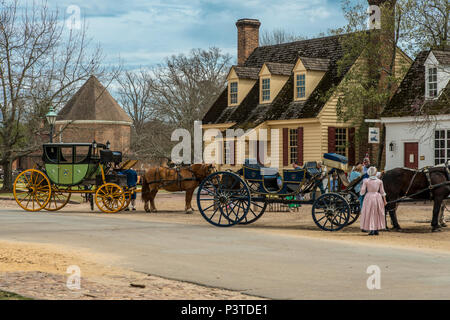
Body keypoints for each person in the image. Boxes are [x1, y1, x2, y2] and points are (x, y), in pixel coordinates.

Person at [360, 166, 387, 236]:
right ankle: (376, 229)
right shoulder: (379, 181)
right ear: (375, 173)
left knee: (370, 213)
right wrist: (384, 200)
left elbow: (362, 191)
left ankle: (372, 229)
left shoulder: (366, 181)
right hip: (377, 197)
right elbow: (382, 192)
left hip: (369, 197)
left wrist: (362, 193)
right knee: (377, 213)